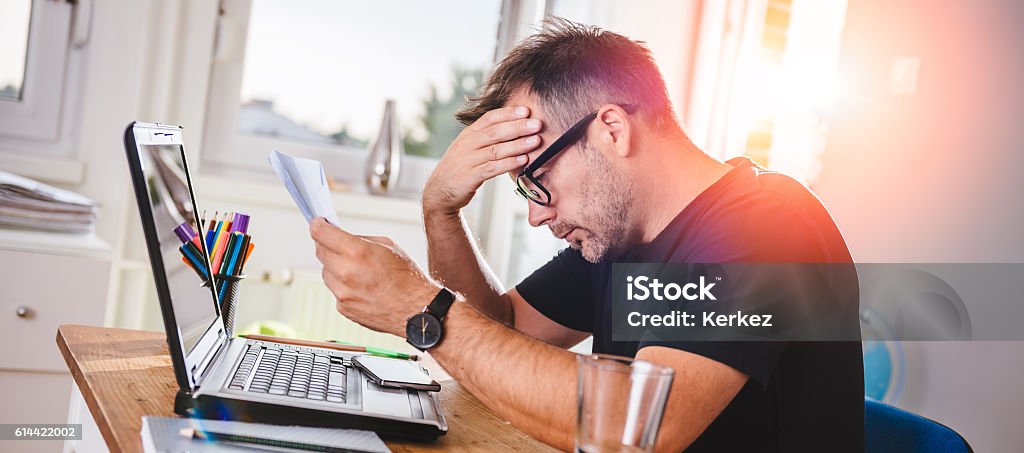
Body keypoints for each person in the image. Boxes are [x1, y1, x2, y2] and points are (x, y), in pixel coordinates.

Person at [311, 18, 863, 452]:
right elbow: (504, 333)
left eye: (539, 181)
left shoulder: (763, 226)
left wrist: (420, 309)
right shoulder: (620, 237)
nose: (536, 216)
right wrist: (441, 211)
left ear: (612, 130)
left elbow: (639, 424)